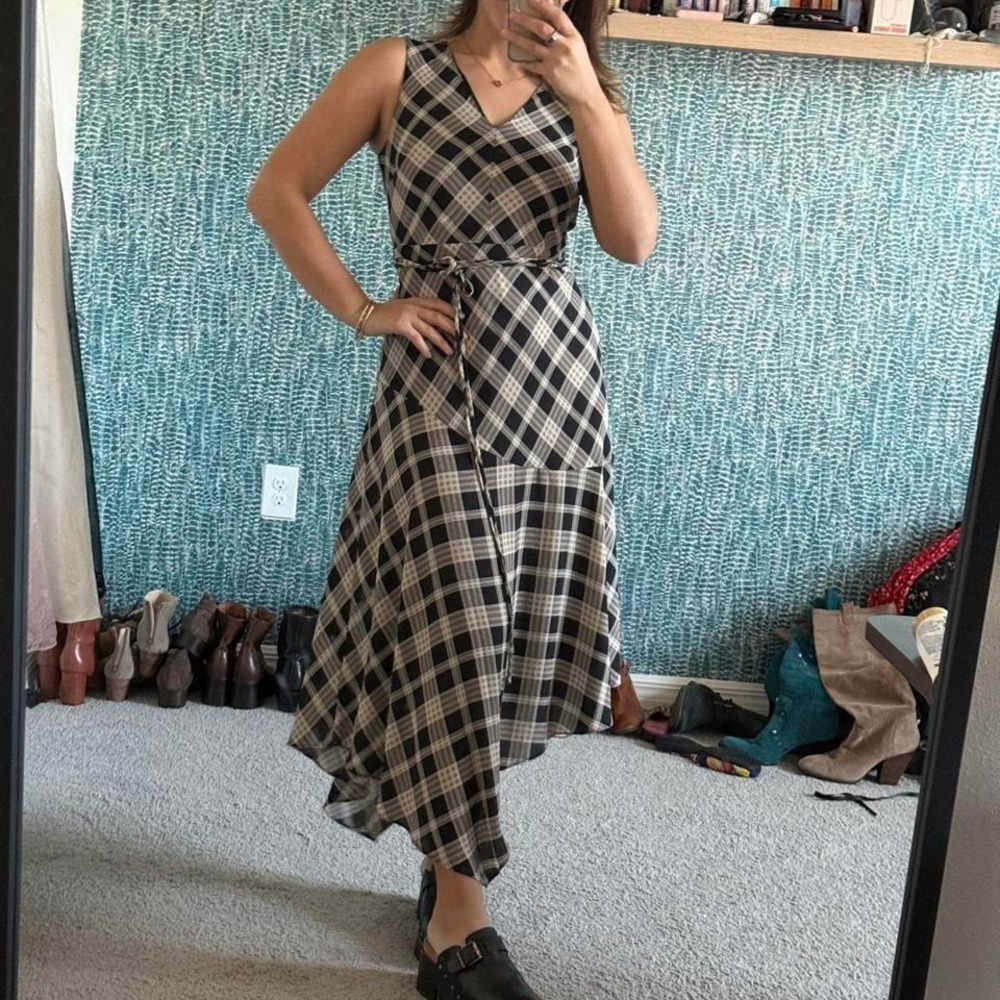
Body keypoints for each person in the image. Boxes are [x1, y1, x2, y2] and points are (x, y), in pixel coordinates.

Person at [247, 1, 657, 996]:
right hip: (436, 387)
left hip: (554, 388)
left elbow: (631, 239)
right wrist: (364, 308)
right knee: (458, 622)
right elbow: (278, 192)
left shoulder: (589, 93)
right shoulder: (397, 69)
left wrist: (585, 99)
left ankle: (445, 866)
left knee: (510, 637)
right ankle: (458, 924)